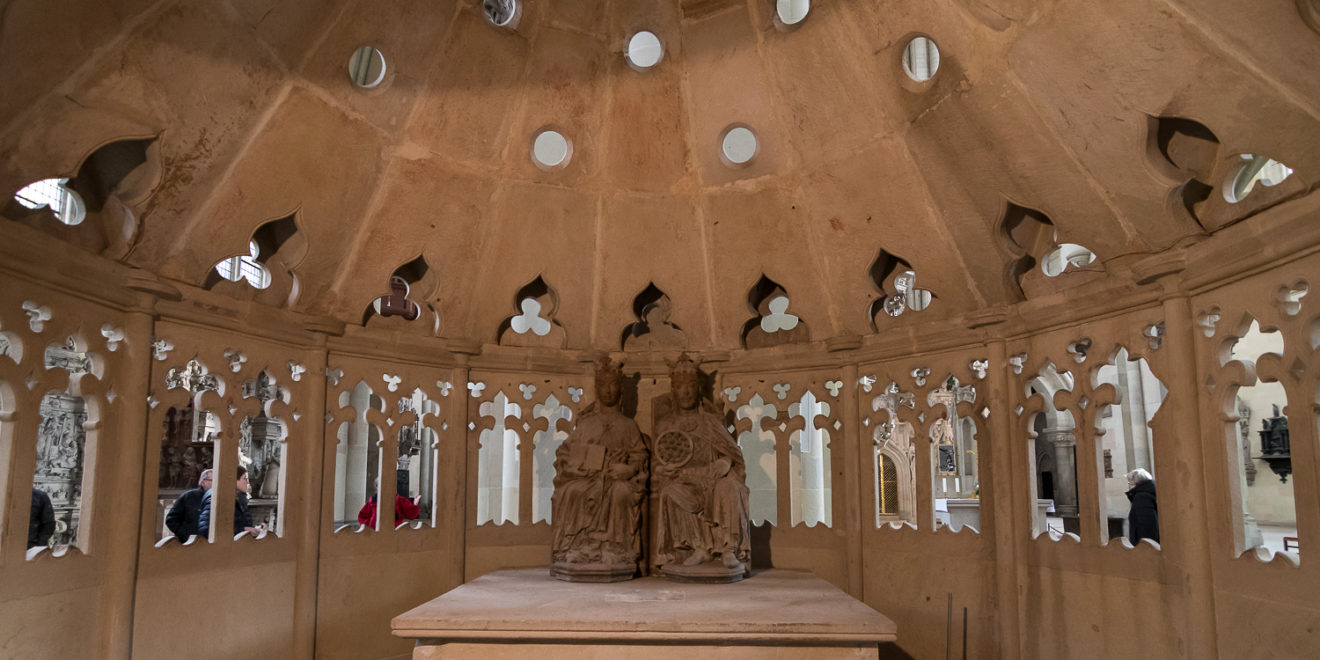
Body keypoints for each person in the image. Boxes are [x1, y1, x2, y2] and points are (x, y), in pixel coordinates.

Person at [550, 358, 648, 578]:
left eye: (613, 384)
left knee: (621, 492)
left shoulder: (628, 425)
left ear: (621, 389)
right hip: (587, 478)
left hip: (617, 479)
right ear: (597, 389)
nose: (608, 390)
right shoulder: (586, 424)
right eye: (603, 385)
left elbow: (640, 455)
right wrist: (575, 466)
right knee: (572, 490)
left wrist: (630, 470)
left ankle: (616, 549)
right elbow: (564, 452)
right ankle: (577, 547)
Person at [653, 355, 751, 577]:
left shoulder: (710, 422)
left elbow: (734, 455)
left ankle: (728, 548)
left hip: (713, 479)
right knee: (671, 492)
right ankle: (700, 547)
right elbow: (656, 464)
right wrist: (662, 470)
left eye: (691, 386)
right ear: (673, 390)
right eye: (680, 387)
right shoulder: (666, 424)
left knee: (728, 487)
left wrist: (725, 461)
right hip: (684, 479)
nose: (686, 392)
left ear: (698, 389)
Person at [199, 466, 262, 537]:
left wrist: (257, 529)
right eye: (244, 478)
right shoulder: (215, 498)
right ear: (234, 480)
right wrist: (242, 530)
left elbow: (243, 524)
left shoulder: (240, 499)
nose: (247, 482)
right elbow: (206, 530)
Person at [164, 469, 212, 542]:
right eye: (213, 480)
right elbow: (171, 520)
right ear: (203, 482)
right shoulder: (188, 496)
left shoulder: (220, 498)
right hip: (190, 543)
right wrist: (185, 536)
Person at [1126, 468, 1159, 544]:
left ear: (1134, 483)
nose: (1128, 486)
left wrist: (1144, 546)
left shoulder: (1142, 497)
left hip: (1145, 545)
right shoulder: (1149, 493)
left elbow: (1148, 525)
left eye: (1129, 483)